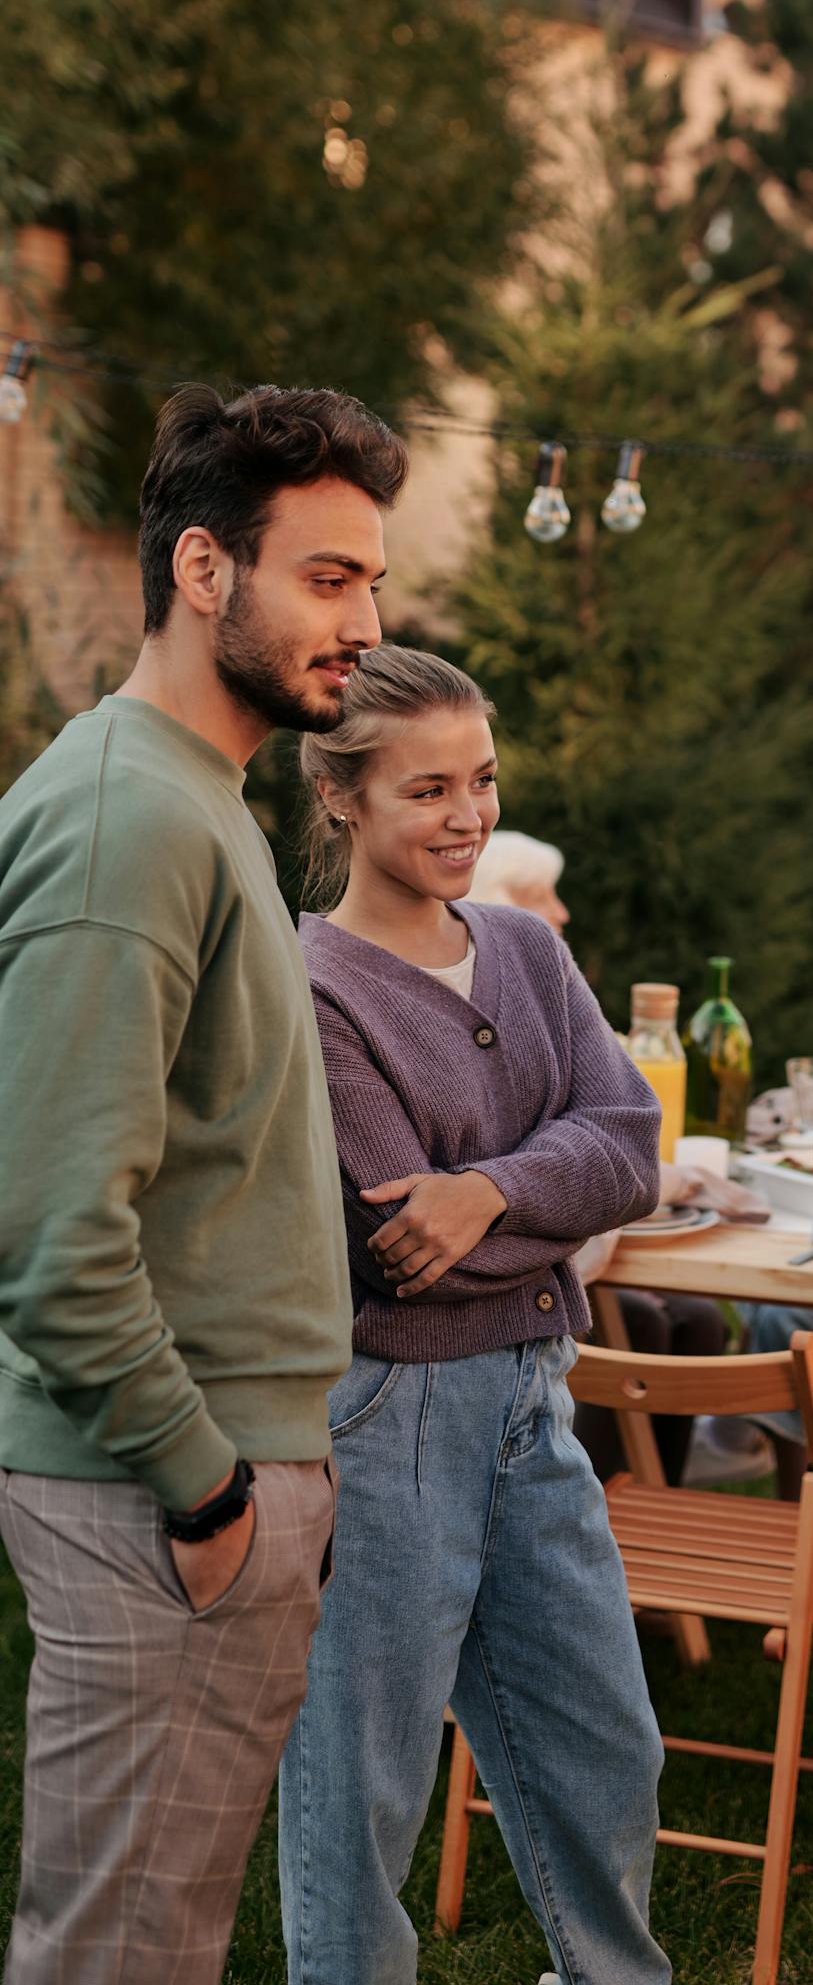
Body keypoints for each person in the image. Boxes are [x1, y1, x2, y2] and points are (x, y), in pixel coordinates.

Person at [0, 382, 404, 1985]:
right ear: (202, 571)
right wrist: (209, 1492)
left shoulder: (193, 798)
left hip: (194, 1484)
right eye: (327, 577)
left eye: (372, 580)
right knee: (121, 1952)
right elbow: (46, 1223)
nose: (365, 621)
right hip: (156, 1497)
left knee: (151, 1933)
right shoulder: (129, 825)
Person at [278, 645, 670, 1985]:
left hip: (529, 1405)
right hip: (388, 1416)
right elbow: (400, 1250)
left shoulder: (519, 947)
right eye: (426, 789)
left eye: (482, 782)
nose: (467, 817)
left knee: (607, 1747)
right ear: (339, 797)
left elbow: (630, 1143)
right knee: (361, 1788)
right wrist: (544, 1206)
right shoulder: (309, 986)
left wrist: (490, 1194)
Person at [472, 824, 756, 1486]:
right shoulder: (492, 1006)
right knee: (647, 1326)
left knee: (700, 1319)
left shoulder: (547, 993)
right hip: (531, 1262)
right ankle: (599, 1512)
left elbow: (615, 1127)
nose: (562, 913)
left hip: (577, 1235)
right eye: (541, 896)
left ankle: (655, 1505)